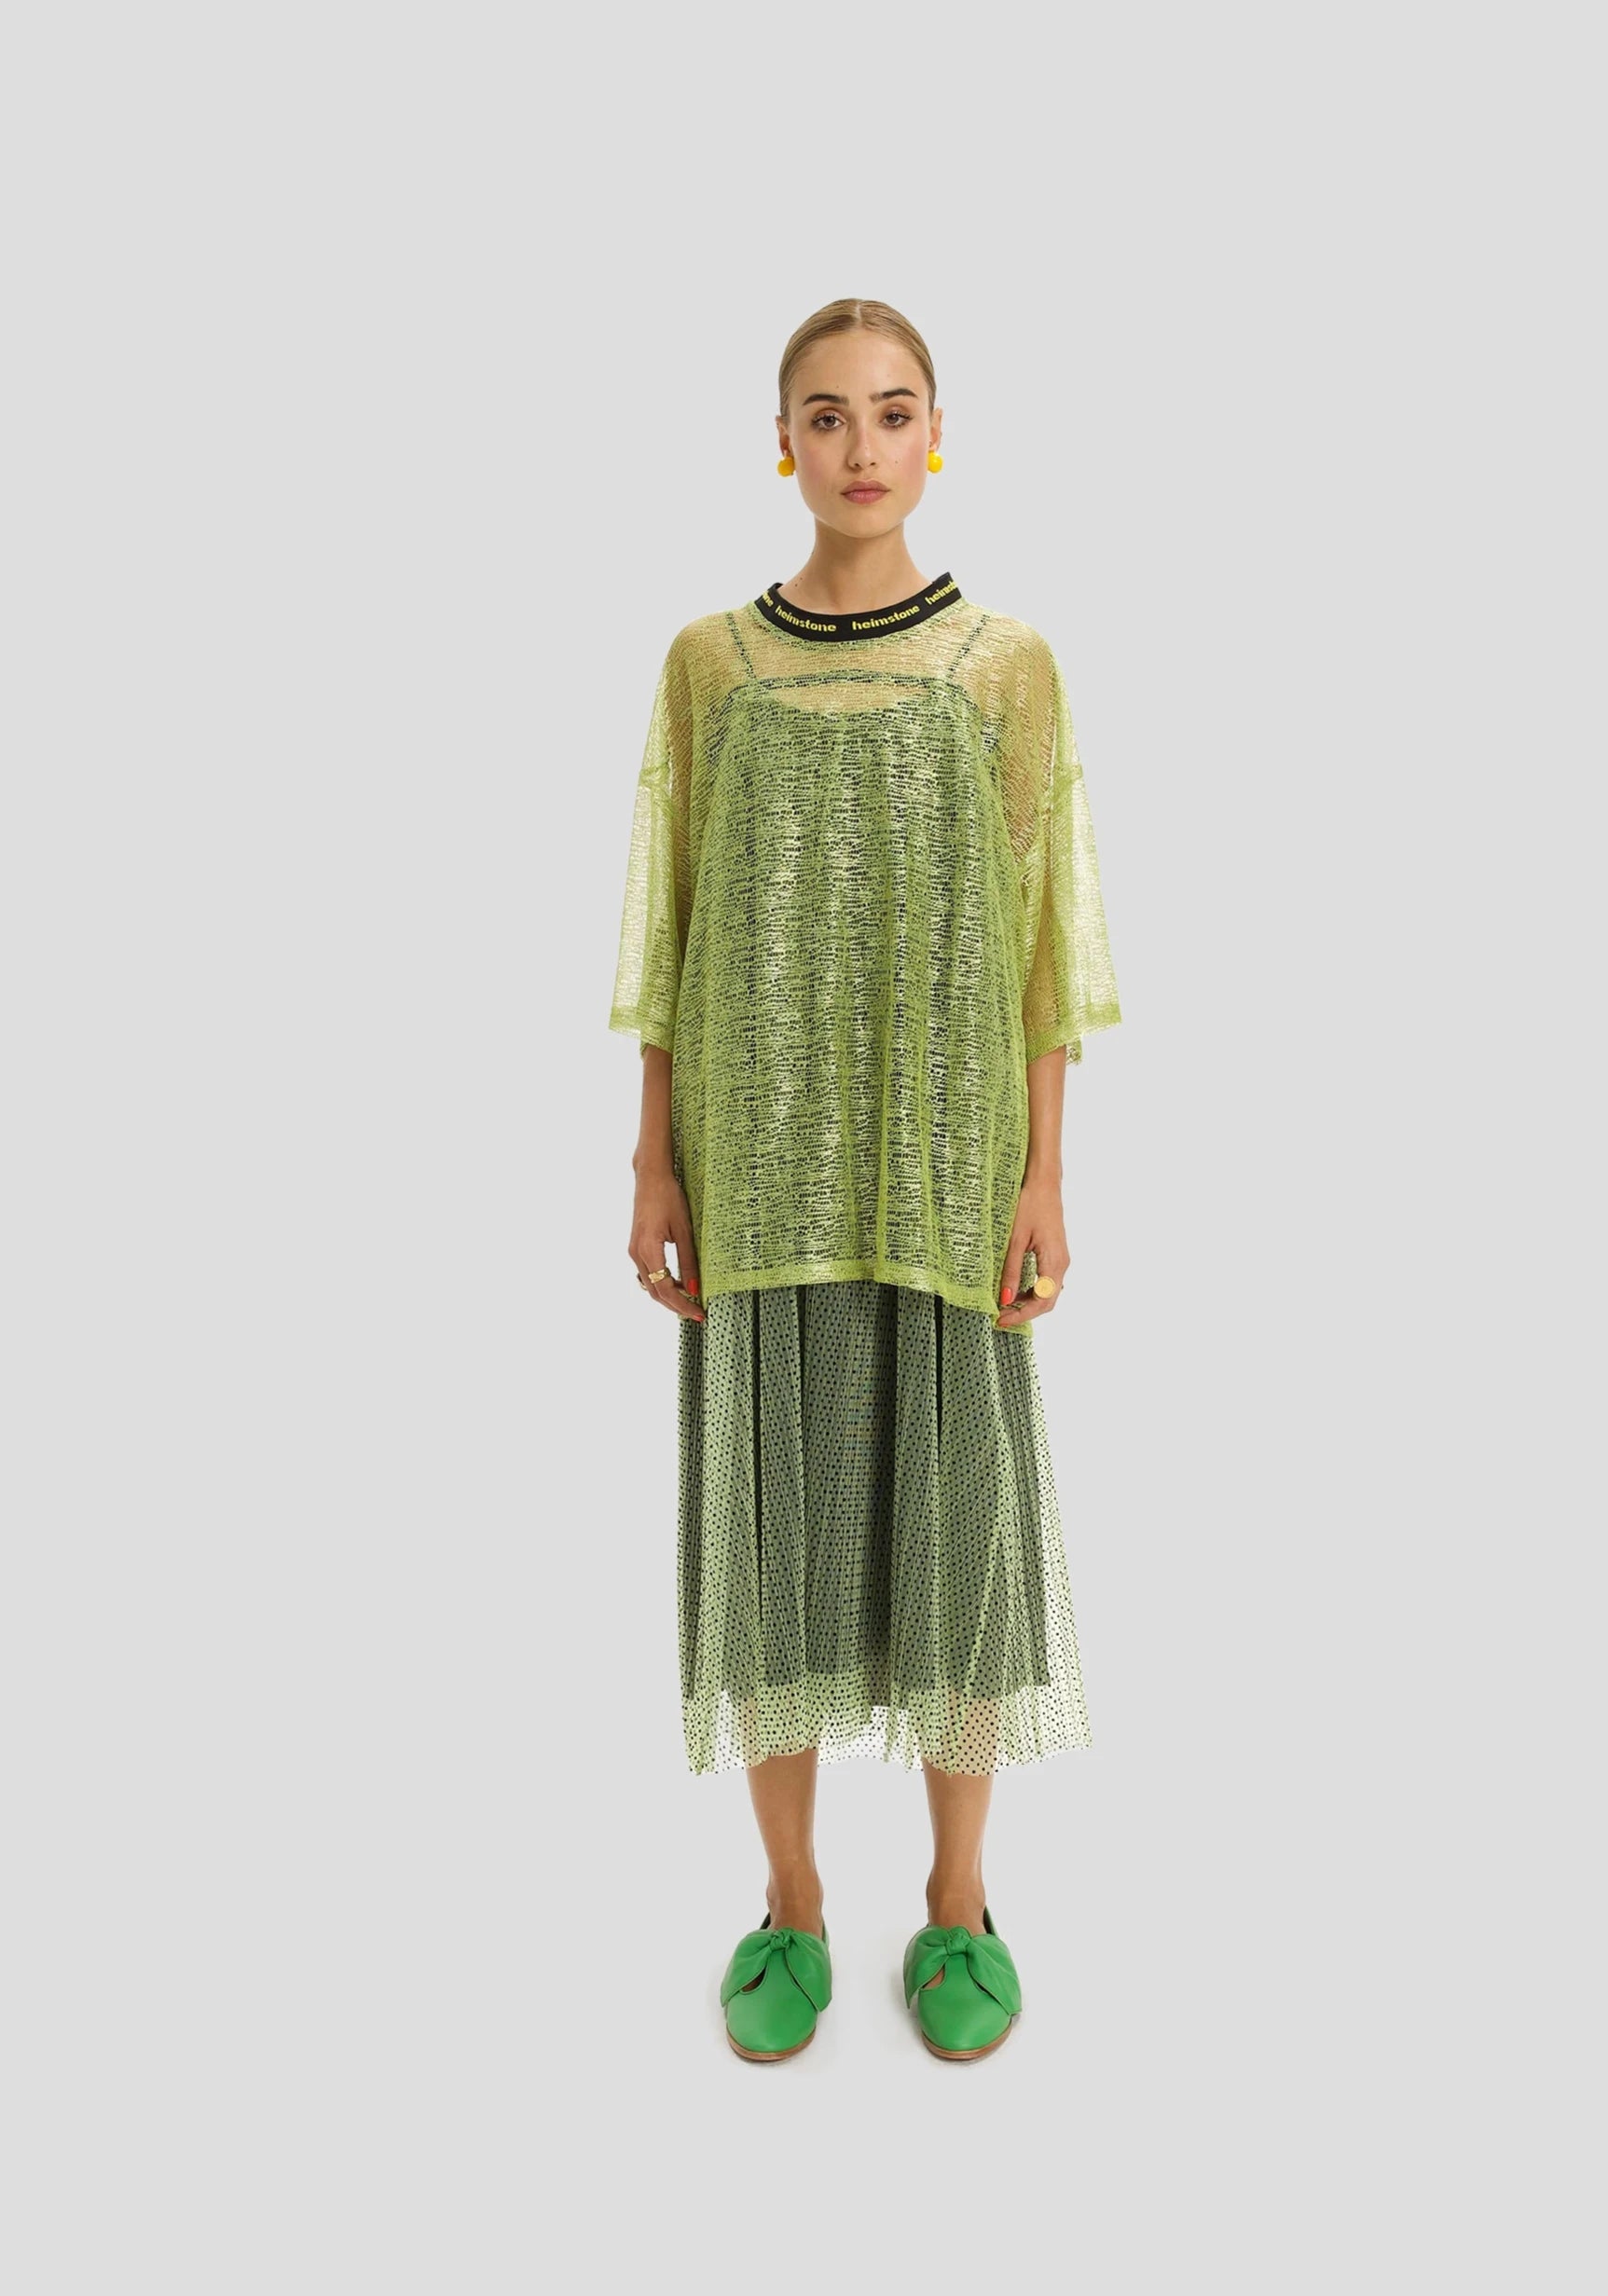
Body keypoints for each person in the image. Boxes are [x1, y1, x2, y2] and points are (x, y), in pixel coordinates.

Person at [607, 297, 1123, 2062]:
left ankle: (959, 1907)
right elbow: (672, 930)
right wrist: (653, 1156)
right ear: (783, 444)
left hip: (943, 1166)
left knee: (955, 1548)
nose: (859, 446)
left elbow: (1042, 945)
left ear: (935, 435)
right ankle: (791, 1903)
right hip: (757, 1170)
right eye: (825, 415)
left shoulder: (1005, 665)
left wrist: (1044, 1176)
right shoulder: (708, 665)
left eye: (892, 412)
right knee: (774, 1548)